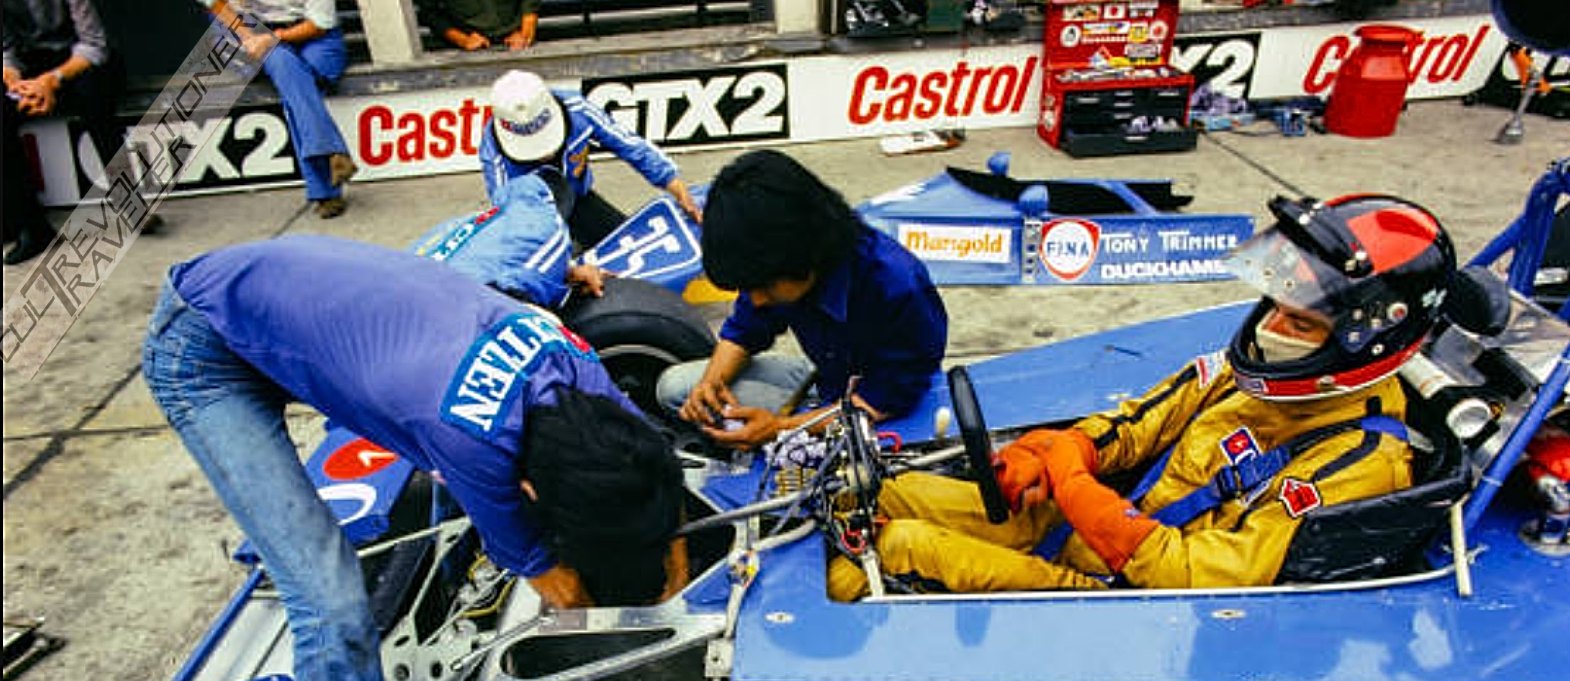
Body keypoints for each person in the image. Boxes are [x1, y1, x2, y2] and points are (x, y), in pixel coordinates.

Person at [142, 236, 686, 681]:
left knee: (470, 486)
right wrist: (631, 654)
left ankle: (452, 590)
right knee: (328, 598)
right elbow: (561, 591)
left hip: (290, 298)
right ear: (530, 487)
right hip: (201, 344)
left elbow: (658, 470)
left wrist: (674, 584)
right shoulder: (466, 433)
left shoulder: (581, 367)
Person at [828, 193, 1459, 600]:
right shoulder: (1243, 370)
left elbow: (1196, 577)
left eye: (1300, 322)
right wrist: (1057, 450)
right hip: (1083, 524)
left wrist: (1073, 483)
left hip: (1123, 596)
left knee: (893, 548)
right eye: (1275, 305)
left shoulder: (1361, 461)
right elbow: (1134, 425)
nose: (1271, 328)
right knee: (878, 493)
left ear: (1363, 342)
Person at [657, 148, 948, 451]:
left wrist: (779, 430)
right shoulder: (773, 261)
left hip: (887, 409)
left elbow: (881, 402)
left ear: (807, 257)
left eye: (763, 288)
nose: (756, 300)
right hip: (824, 383)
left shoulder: (897, 286)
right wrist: (710, 385)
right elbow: (744, 331)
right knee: (677, 390)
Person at [480, 69, 700, 248]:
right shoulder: (495, 158)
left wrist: (676, 187)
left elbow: (630, 145)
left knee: (628, 247)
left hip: (579, 201)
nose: (545, 154)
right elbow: (514, 222)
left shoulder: (577, 109)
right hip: (535, 219)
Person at [204, 1, 357, 218]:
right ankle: (328, 160)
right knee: (284, 64)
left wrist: (274, 38)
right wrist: (249, 38)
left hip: (312, 32)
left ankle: (325, 176)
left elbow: (320, 24)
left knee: (298, 78)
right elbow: (215, 4)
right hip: (247, 27)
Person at [3, 0, 121, 264]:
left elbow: (95, 45)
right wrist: (15, 82)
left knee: (94, 96)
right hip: (31, 67)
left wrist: (50, 81)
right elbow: (6, 49)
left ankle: (129, 200)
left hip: (80, 61)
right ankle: (32, 228)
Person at [410, 170, 607, 307]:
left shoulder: (470, 219)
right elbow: (509, 296)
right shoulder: (550, 224)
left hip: (406, 287)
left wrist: (566, 271)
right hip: (453, 305)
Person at [417, 0, 540, 52]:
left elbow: (530, 4)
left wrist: (524, 32)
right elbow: (429, 13)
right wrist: (462, 39)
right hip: (465, 47)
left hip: (518, 39)